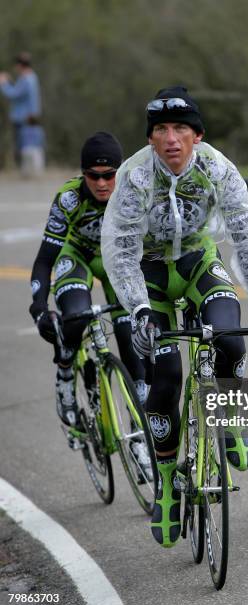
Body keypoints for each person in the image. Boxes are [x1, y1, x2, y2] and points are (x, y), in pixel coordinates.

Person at [101, 86, 248, 548]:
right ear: (150, 139)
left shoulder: (217, 169)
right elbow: (120, 250)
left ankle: (225, 418)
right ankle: (166, 478)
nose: (170, 139)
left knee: (231, 342)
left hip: (200, 262)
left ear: (197, 135)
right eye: (160, 130)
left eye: (180, 129)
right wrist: (139, 309)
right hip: (151, 274)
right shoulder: (134, 177)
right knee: (165, 377)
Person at [29, 132, 147, 435]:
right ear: (83, 175)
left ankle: (140, 431)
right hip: (77, 255)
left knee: (134, 348)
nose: (102, 183)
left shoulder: (136, 194)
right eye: (93, 176)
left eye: (109, 175)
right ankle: (66, 372)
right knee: (76, 317)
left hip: (116, 261)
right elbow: (44, 261)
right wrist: (39, 308)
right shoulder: (69, 198)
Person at [0, 52, 45, 177]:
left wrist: (3, 83)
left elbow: (13, 94)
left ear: (20, 65)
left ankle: (27, 172)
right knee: (32, 143)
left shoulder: (26, 79)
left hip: (23, 118)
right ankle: (32, 171)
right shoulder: (32, 77)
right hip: (30, 116)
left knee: (25, 145)